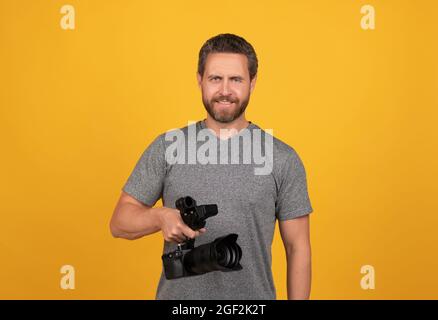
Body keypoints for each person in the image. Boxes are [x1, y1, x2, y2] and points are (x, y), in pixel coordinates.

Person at [110, 33, 314, 300]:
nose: (225, 91)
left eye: (236, 79)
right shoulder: (168, 147)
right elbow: (119, 223)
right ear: (200, 80)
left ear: (252, 83)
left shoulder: (282, 158)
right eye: (215, 78)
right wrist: (159, 217)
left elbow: (297, 247)